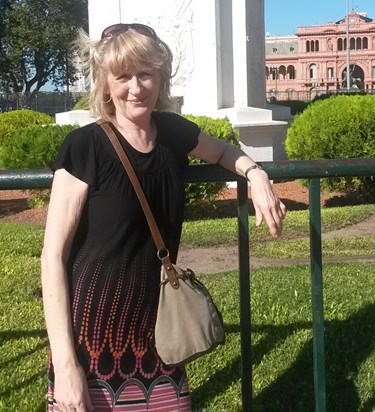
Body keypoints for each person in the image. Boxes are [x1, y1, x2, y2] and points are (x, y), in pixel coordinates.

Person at [41, 23, 286, 412]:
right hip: (90, 336)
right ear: (105, 83)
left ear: (160, 78)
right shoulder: (85, 146)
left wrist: (256, 175)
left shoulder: (171, 131)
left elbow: (223, 152)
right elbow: (53, 257)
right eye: (122, 76)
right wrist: (67, 364)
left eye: (146, 74)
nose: (135, 88)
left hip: (157, 332)